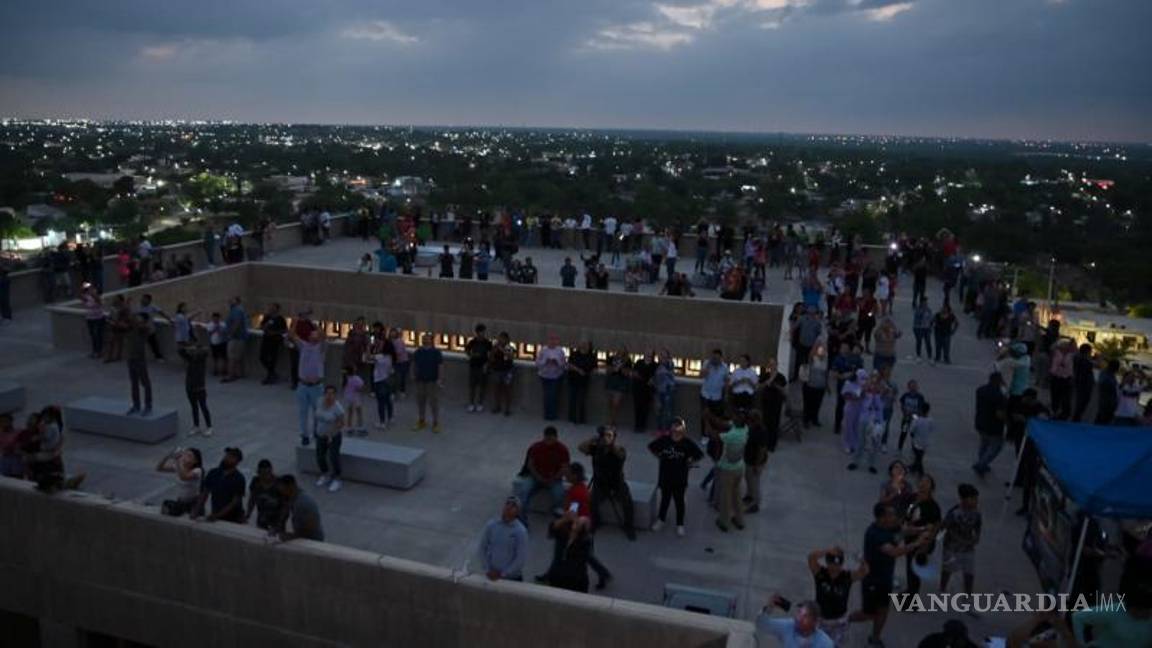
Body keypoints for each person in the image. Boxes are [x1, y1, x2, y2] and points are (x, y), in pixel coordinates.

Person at [850, 502, 929, 648]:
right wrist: (917, 543)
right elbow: (894, 552)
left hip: (886, 579)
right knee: (868, 614)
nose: (894, 517)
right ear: (882, 518)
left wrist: (921, 529)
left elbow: (903, 532)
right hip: (872, 580)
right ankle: (845, 620)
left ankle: (875, 638)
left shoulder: (891, 527)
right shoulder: (875, 534)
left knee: (883, 610)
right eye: (891, 514)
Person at [648, 418, 703, 537]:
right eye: (675, 425)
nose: (676, 428)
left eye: (679, 425)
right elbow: (651, 446)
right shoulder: (664, 440)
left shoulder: (687, 443)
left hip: (680, 478)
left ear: (683, 428)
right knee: (665, 499)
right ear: (671, 427)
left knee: (679, 502)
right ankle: (661, 520)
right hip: (666, 476)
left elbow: (699, 454)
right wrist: (659, 456)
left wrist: (691, 461)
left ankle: (680, 524)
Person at [579, 426, 636, 541]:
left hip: (617, 483)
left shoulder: (619, 449)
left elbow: (620, 455)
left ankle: (629, 526)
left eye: (609, 436)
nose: (606, 438)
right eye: (604, 435)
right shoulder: (597, 449)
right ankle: (596, 522)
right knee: (592, 501)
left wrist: (610, 445)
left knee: (627, 501)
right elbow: (581, 448)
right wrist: (593, 440)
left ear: (614, 438)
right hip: (600, 483)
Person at [807, 547, 868, 645]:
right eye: (832, 563)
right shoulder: (820, 573)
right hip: (820, 620)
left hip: (838, 622)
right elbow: (811, 558)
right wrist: (827, 550)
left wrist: (861, 559)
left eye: (838, 564)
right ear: (827, 562)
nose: (835, 567)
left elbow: (864, 571)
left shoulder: (847, 576)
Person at [513, 426, 570, 525]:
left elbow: (564, 468)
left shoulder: (562, 450)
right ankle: (521, 514)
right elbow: (530, 464)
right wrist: (538, 477)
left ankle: (558, 514)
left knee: (559, 494)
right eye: (547, 439)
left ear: (556, 438)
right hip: (536, 477)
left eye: (551, 439)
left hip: (554, 479)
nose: (549, 442)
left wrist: (553, 478)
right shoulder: (536, 447)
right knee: (524, 490)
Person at [940, 484, 982, 599]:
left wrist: (977, 537)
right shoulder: (954, 513)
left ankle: (968, 595)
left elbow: (978, 525)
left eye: (976, 499)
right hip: (952, 548)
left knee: (969, 572)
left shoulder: (976, 512)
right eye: (973, 499)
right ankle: (942, 588)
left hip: (968, 548)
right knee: (947, 570)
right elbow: (944, 528)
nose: (976, 502)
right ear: (964, 499)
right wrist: (957, 538)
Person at [902, 474, 941, 595]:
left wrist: (926, 545)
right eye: (922, 481)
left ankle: (912, 596)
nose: (923, 484)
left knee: (915, 570)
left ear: (931, 488)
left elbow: (935, 527)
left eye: (927, 482)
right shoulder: (912, 498)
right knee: (909, 567)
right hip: (909, 538)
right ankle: (909, 590)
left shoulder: (932, 506)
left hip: (921, 542)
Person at [288, 327, 327, 447]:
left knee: (317, 412)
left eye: (316, 335)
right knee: (303, 412)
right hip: (303, 386)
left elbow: (324, 337)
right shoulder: (303, 346)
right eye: (312, 334)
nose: (313, 336)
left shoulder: (321, 348)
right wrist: (296, 321)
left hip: (316, 387)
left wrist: (317, 328)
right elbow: (292, 334)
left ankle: (316, 432)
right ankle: (304, 435)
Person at [712, 409, 749, 532]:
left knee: (726, 497)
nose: (734, 418)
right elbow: (725, 424)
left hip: (728, 470)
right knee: (737, 495)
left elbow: (714, 435)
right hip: (739, 468)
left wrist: (706, 421)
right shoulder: (745, 429)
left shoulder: (731, 435)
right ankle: (739, 520)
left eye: (736, 417)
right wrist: (712, 417)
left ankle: (724, 522)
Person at [479, 496, 529, 581]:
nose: (509, 507)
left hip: (512, 578)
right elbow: (482, 548)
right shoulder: (491, 525)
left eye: (513, 505)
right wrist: (487, 569)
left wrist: (503, 573)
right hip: (491, 575)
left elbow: (520, 558)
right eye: (507, 503)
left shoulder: (521, 531)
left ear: (518, 511)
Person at [542, 514, 594, 593]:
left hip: (575, 579)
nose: (577, 520)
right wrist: (564, 519)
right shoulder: (564, 534)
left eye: (580, 522)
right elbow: (552, 529)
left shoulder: (584, 541)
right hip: (557, 575)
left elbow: (581, 559)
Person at [193, 447, 246, 523]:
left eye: (231, 457)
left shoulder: (239, 478)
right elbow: (204, 494)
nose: (226, 458)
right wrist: (196, 511)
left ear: (237, 461)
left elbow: (235, 502)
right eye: (227, 455)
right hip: (215, 514)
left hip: (234, 518)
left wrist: (217, 515)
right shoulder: (213, 473)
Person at [756, 598, 834, 648]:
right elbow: (763, 624)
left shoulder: (825, 643)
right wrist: (768, 608)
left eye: (805, 616)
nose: (799, 618)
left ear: (815, 622)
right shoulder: (789, 626)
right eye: (799, 613)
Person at [972, 372, 1007, 477]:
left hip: (980, 421)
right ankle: (981, 464)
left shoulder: (980, 390)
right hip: (994, 426)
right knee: (996, 446)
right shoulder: (999, 396)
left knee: (984, 444)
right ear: (999, 381)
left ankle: (982, 462)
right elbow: (1000, 414)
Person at [178, 334, 213, 437]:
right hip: (189, 386)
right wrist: (187, 347)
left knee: (203, 406)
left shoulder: (201, 358)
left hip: (200, 387)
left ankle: (209, 427)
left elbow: (205, 351)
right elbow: (180, 351)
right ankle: (196, 426)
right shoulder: (190, 358)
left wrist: (196, 348)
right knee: (194, 407)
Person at [314, 385, 346, 493]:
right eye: (327, 393)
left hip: (333, 436)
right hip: (320, 434)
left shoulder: (338, 408)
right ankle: (325, 474)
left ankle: (337, 479)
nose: (329, 396)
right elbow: (316, 416)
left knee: (333, 457)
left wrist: (331, 434)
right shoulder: (319, 401)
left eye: (332, 393)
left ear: (335, 395)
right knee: (320, 456)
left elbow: (341, 423)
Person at [743, 407, 774, 514]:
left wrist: (757, 464)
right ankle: (749, 495)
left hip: (755, 462)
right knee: (748, 479)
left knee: (754, 483)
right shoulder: (752, 428)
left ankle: (755, 504)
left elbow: (761, 450)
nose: (749, 422)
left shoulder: (761, 432)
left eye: (751, 420)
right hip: (748, 459)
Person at [156, 447, 203, 517]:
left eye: (189, 456)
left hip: (193, 503)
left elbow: (184, 477)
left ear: (195, 461)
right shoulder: (179, 467)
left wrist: (178, 461)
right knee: (166, 506)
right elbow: (159, 468)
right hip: (181, 501)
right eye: (185, 454)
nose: (185, 457)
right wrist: (167, 456)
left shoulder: (198, 471)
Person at [276, 474, 325, 541]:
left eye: (283, 489)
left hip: (313, 540)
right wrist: (278, 528)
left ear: (291, 486)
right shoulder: (291, 497)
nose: (281, 492)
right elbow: (285, 512)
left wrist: (292, 536)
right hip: (302, 537)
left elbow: (312, 526)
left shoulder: (304, 502)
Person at [412, 333, 444, 432]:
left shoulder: (436, 352)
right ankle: (421, 420)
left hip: (432, 381)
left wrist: (440, 378)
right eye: (423, 338)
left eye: (427, 338)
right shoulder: (418, 352)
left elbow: (440, 366)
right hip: (420, 380)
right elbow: (414, 364)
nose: (425, 340)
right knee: (421, 401)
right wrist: (413, 374)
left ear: (431, 340)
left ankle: (435, 422)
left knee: (433, 402)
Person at [125, 313, 155, 416]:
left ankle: (148, 405)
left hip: (139, 359)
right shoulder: (131, 328)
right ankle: (136, 405)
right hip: (130, 358)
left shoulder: (143, 329)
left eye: (139, 318)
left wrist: (136, 321)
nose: (136, 319)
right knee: (134, 383)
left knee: (145, 383)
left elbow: (145, 328)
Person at [535, 335, 566, 421]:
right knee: (546, 396)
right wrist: (545, 361)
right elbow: (537, 362)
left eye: (554, 340)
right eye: (551, 340)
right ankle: (546, 414)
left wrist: (557, 362)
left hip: (555, 376)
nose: (552, 342)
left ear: (557, 341)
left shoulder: (560, 351)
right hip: (544, 375)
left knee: (553, 396)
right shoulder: (543, 350)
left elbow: (563, 364)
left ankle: (553, 414)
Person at [245, 459, 282, 530]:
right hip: (262, 518)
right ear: (259, 472)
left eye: (267, 473)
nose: (266, 476)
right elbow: (252, 500)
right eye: (263, 473)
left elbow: (285, 504)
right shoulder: (255, 481)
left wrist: (281, 521)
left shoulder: (279, 482)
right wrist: (248, 515)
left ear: (271, 471)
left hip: (276, 519)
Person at [700, 349, 730, 433]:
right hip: (705, 394)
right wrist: (708, 366)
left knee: (716, 417)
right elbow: (701, 375)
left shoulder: (724, 367)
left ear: (721, 358)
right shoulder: (707, 363)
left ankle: (714, 434)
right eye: (714, 358)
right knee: (704, 416)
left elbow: (726, 381)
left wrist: (726, 394)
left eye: (717, 358)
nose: (715, 360)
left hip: (717, 396)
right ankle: (704, 434)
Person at [567, 341, 596, 425]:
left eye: (586, 345)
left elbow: (594, 367)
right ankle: (572, 418)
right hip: (573, 379)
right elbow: (569, 364)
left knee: (582, 400)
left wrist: (589, 372)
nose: (584, 346)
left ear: (589, 347)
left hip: (584, 381)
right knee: (572, 399)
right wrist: (578, 370)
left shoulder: (592, 356)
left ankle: (581, 419)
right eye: (582, 344)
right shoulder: (574, 354)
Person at [465, 324, 492, 413]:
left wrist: (487, 364)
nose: (483, 334)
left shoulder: (487, 343)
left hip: (482, 367)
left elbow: (490, 355)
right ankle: (471, 404)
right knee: (472, 386)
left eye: (483, 332)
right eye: (481, 332)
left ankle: (480, 403)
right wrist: (472, 355)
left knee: (482, 386)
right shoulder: (472, 342)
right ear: (477, 333)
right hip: (473, 366)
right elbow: (467, 351)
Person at [801, 344, 830, 428]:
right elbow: (805, 369)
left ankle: (814, 419)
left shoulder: (825, 361)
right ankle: (806, 420)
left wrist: (827, 385)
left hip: (820, 386)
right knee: (808, 404)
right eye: (820, 350)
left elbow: (826, 374)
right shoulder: (812, 359)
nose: (822, 352)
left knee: (817, 404)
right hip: (810, 385)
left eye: (823, 350)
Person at [370, 336, 395, 430]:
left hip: (379, 381)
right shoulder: (389, 357)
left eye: (381, 344)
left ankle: (382, 422)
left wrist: (369, 346)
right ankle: (390, 418)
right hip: (387, 380)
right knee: (388, 401)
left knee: (381, 402)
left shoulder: (379, 357)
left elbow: (367, 357)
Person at [488, 332, 515, 416]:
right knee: (496, 389)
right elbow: (491, 358)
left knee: (507, 390)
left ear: (506, 339)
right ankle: (497, 406)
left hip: (507, 371)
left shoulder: (509, 347)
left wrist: (502, 350)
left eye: (502, 338)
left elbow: (510, 357)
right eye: (500, 338)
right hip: (496, 371)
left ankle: (507, 409)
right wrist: (494, 351)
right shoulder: (495, 347)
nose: (500, 340)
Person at [259, 303, 287, 384]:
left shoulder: (281, 319)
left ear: (277, 309)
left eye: (273, 307)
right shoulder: (267, 317)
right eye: (271, 307)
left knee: (272, 359)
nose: (271, 309)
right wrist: (267, 325)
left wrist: (274, 333)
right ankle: (273, 373)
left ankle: (270, 376)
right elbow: (261, 327)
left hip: (275, 341)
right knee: (262, 357)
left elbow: (285, 330)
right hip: (266, 340)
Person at [896, 380, 927, 454]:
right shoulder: (905, 395)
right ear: (908, 387)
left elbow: (921, 408)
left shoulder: (920, 396)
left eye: (914, 386)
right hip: (906, 417)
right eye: (911, 386)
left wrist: (916, 414)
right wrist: (904, 411)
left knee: (914, 434)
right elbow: (902, 404)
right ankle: (899, 448)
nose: (913, 387)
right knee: (903, 432)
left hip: (915, 418)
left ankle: (914, 449)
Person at [221, 296, 248, 382]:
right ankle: (238, 374)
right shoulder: (235, 310)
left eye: (232, 300)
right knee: (237, 357)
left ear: (237, 302)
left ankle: (230, 375)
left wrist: (230, 334)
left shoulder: (237, 310)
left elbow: (237, 323)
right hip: (238, 337)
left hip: (236, 337)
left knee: (232, 357)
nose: (230, 301)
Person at [1047, 338, 1075, 420]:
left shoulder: (1071, 355)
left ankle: (1064, 414)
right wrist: (1058, 341)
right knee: (1055, 395)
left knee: (1066, 397)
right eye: (1063, 345)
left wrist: (1072, 343)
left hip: (1066, 378)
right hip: (1056, 377)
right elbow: (1051, 347)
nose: (1065, 347)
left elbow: (1075, 349)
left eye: (1066, 345)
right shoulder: (1056, 352)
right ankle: (1054, 411)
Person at [605, 348, 632, 427]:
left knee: (616, 404)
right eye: (619, 351)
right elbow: (607, 369)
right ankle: (611, 420)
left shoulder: (627, 361)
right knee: (610, 403)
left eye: (622, 351)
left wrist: (620, 368)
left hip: (621, 384)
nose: (620, 352)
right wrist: (614, 368)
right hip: (611, 382)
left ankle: (612, 421)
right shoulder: (611, 358)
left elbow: (627, 373)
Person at [908, 402, 935, 476]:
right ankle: (914, 467)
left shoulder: (917, 420)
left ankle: (920, 472)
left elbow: (912, 431)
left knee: (918, 458)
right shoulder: (930, 420)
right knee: (919, 456)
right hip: (925, 442)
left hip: (916, 442)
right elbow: (931, 429)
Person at [1071, 343, 1096, 422]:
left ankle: (1077, 417)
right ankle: (1076, 418)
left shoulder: (1080, 359)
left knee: (1081, 403)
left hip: (1083, 384)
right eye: (1090, 352)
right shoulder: (1082, 359)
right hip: (1083, 384)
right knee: (1081, 403)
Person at [80, 284, 105, 359]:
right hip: (90, 318)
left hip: (98, 318)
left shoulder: (99, 297)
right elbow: (83, 300)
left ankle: (100, 351)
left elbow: (100, 303)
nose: (91, 291)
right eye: (90, 289)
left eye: (93, 289)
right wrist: (83, 292)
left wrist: (94, 295)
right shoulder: (87, 297)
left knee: (98, 335)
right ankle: (95, 351)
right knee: (93, 335)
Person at [1094, 359, 1120, 425]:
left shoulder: (1110, 374)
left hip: (1108, 401)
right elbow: (1103, 383)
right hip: (1106, 401)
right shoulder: (1106, 374)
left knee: (1103, 418)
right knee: (1103, 418)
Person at [342, 367, 365, 435]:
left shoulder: (346, 378)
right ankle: (360, 427)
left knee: (350, 412)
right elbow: (361, 387)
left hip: (348, 397)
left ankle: (349, 427)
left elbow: (344, 387)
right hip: (355, 397)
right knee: (359, 412)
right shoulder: (356, 378)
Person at [205, 311, 228, 377]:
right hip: (214, 343)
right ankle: (215, 370)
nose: (216, 319)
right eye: (214, 318)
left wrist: (220, 329)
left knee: (224, 357)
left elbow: (225, 333)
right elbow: (209, 333)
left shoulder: (223, 324)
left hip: (222, 342)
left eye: (217, 318)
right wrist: (215, 329)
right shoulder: (210, 324)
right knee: (215, 358)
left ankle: (224, 370)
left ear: (219, 318)